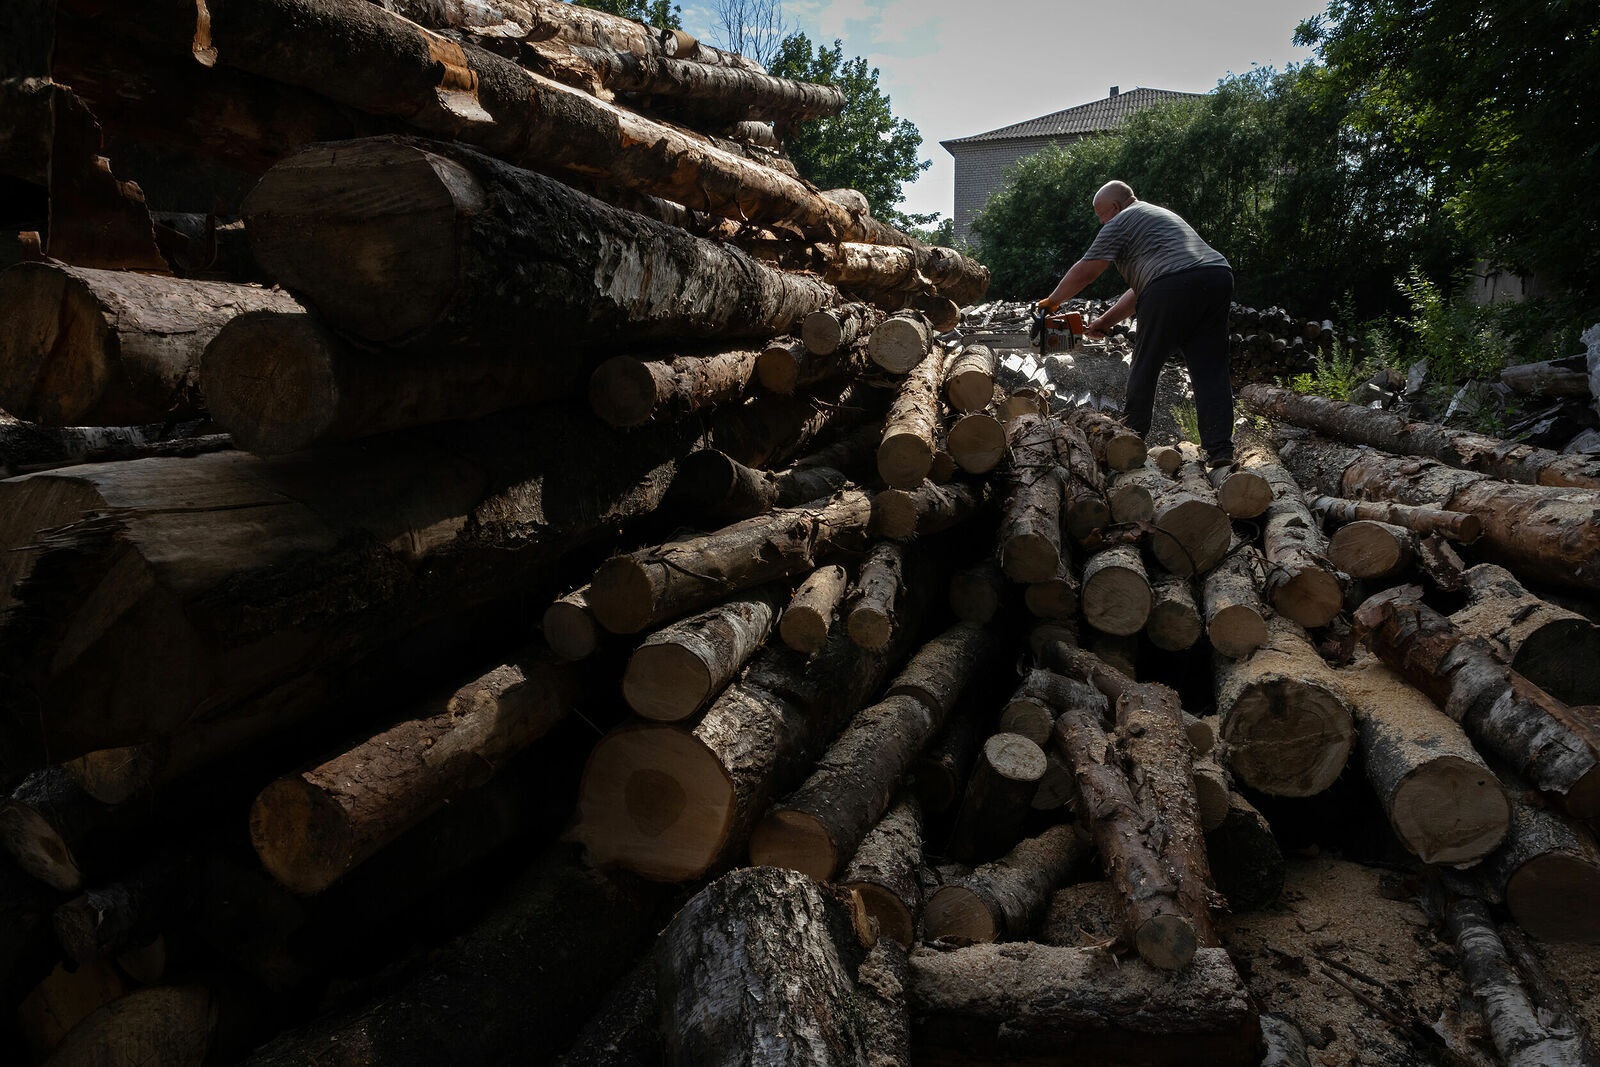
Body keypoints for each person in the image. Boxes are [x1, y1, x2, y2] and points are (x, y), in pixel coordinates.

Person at [1038, 180, 1236, 467]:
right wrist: (1105, 321)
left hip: (1173, 284)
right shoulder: (1159, 216)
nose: (1101, 222)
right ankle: (1220, 451)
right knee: (1211, 369)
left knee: (1145, 363)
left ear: (1115, 206)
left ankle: (1130, 438)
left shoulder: (1121, 220)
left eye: (1101, 215)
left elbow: (1088, 270)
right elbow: (1143, 288)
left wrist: (1052, 302)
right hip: (1217, 276)